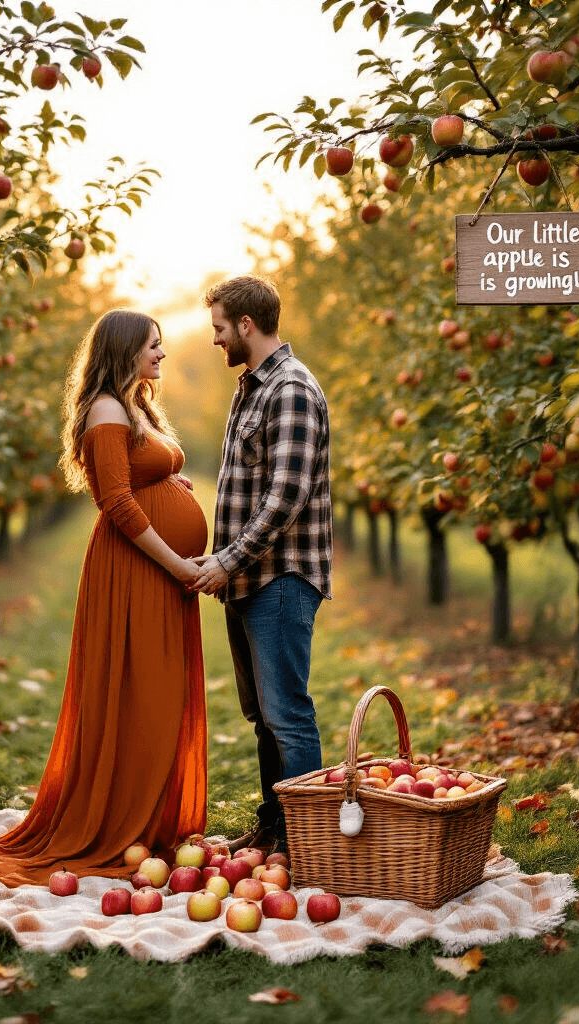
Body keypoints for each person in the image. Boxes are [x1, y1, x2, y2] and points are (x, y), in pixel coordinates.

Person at [0, 309, 208, 887]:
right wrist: (177, 564)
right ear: (124, 351)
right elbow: (114, 503)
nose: (162, 354)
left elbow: (133, 479)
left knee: (159, 695)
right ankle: (120, 823)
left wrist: (169, 484)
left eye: (162, 345)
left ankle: (147, 820)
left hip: (160, 575)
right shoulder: (108, 409)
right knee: (140, 697)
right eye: (153, 346)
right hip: (138, 573)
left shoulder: (135, 405)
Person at [192, 276, 332, 856]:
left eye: (220, 328)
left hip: (278, 579)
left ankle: (309, 846)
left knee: (288, 716)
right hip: (248, 581)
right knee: (264, 718)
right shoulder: (252, 386)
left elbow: (285, 497)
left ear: (247, 325)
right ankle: (277, 829)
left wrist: (227, 559)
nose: (216, 340)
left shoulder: (291, 389)